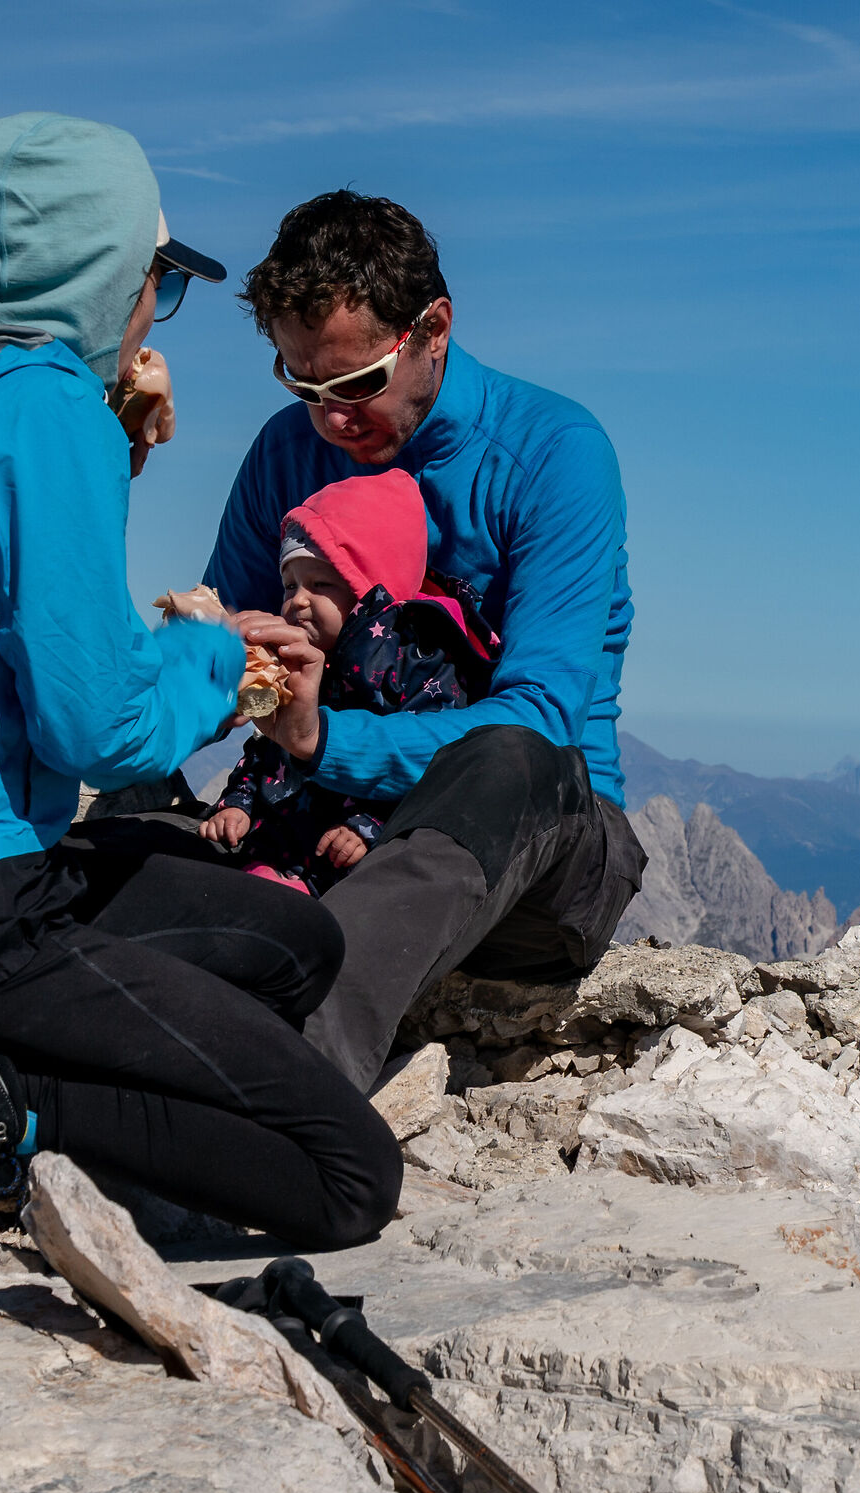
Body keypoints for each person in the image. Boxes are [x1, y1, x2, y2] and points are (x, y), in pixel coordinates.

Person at [0, 114, 400, 1288]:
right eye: (157, 282)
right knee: (347, 1172)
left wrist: (150, 570)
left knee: (292, 940)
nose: (153, 313)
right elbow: (94, 725)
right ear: (105, 277)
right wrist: (212, 661)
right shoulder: (41, 408)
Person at [207, 192, 646, 1094]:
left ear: (433, 328)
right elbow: (225, 647)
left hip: (537, 855)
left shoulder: (553, 453)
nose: (331, 421)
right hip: (316, 829)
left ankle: (290, 1087)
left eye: (356, 385)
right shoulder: (285, 454)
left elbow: (545, 716)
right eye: (302, 385)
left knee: (512, 753)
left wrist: (326, 741)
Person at [200, 469, 494, 894]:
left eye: (321, 584)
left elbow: (425, 767)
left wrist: (368, 826)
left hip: (346, 862)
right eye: (289, 585)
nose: (298, 599)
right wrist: (238, 803)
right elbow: (266, 746)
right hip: (279, 847)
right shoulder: (296, 659)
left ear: (370, 588)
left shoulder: (419, 664)